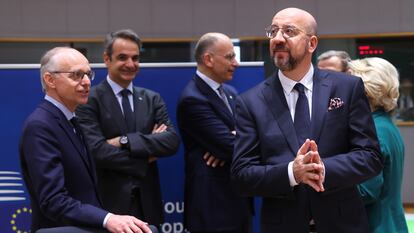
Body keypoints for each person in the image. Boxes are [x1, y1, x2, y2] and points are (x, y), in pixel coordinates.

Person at [230, 7, 383, 233]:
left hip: (343, 224)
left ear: (312, 44)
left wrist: (321, 169)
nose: (278, 38)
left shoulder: (346, 88)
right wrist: (293, 172)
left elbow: (370, 157)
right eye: (274, 31)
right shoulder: (250, 102)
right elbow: (242, 175)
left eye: (289, 31)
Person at [19, 47, 154, 233]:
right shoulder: (41, 126)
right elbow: (53, 201)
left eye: (88, 74)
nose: (86, 82)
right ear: (50, 80)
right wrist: (107, 219)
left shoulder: (72, 120)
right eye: (76, 75)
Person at [76, 29, 180, 229]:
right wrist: (147, 153)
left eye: (135, 58)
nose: (131, 64)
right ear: (107, 59)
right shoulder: (89, 100)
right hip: (109, 207)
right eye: (122, 58)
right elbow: (97, 152)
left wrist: (124, 141)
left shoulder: (152, 98)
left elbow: (171, 142)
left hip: (149, 206)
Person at [176, 32, 252, 233]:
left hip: (238, 200)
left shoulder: (230, 92)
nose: (235, 63)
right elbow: (230, 148)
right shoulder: (193, 99)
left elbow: (247, 136)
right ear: (208, 59)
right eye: (229, 57)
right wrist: (234, 140)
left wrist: (236, 139)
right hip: (213, 206)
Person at [348, 57, 409, 233]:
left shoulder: (373, 130)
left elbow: (366, 191)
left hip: (376, 226)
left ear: (365, 91)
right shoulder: (386, 124)